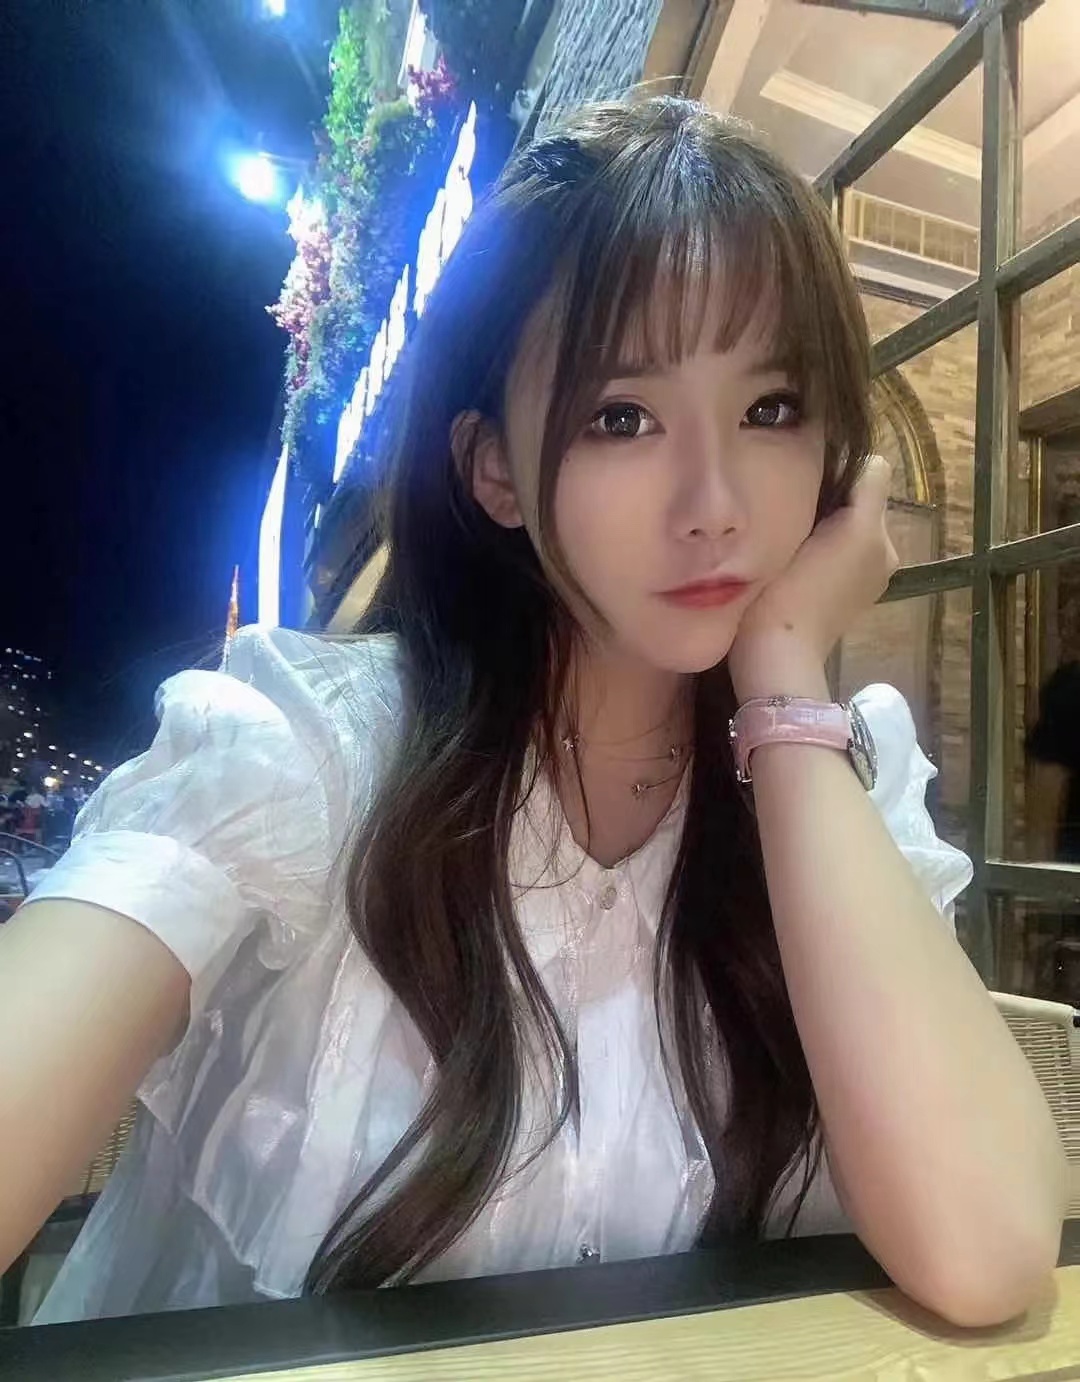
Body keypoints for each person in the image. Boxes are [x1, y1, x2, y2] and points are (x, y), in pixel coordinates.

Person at [0, 97, 1064, 1327]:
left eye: (771, 407)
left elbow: (986, 1250)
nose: (715, 503)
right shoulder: (305, 750)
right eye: (623, 416)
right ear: (494, 467)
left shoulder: (838, 773)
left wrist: (782, 683)